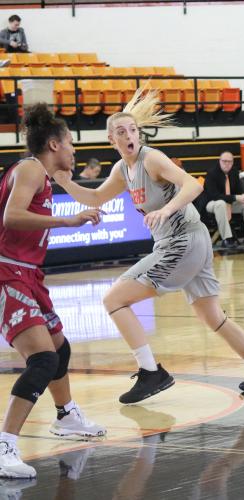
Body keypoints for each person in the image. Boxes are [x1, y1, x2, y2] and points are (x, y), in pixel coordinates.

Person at [53, 88, 244, 404]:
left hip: (183, 239)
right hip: (190, 241)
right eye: (121, 132)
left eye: (133, 130)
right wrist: (66, 183)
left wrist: (166, 208)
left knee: (113, 299)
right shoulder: (122, 170)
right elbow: (95, 197)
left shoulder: (152, 159)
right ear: (112, 140)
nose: (129, 135)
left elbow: (192, 184)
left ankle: (151, 371)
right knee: (213, 317)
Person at [0, 104, 106, 479]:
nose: (74, 151)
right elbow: (10, 217)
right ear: (53, 144)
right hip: (6, 271)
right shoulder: (29, 167)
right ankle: (6, 445)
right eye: (70, 144)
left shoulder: (42, 175)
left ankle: (67, 416)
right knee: (43, 360)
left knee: (60, 350)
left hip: (28, 274)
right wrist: (68, 219)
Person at [204, 151, 244, 248]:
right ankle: (227, 238)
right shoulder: (211, 173)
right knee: (220, 203)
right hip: (211, 203)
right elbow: (214, 195)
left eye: (229, 162)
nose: (227, 164)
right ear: (219, 161)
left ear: (232, 162)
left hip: (229, 203)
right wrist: (234, 197)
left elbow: (238, 191)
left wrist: (242, 196)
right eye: (224, 161)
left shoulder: (234, 172)